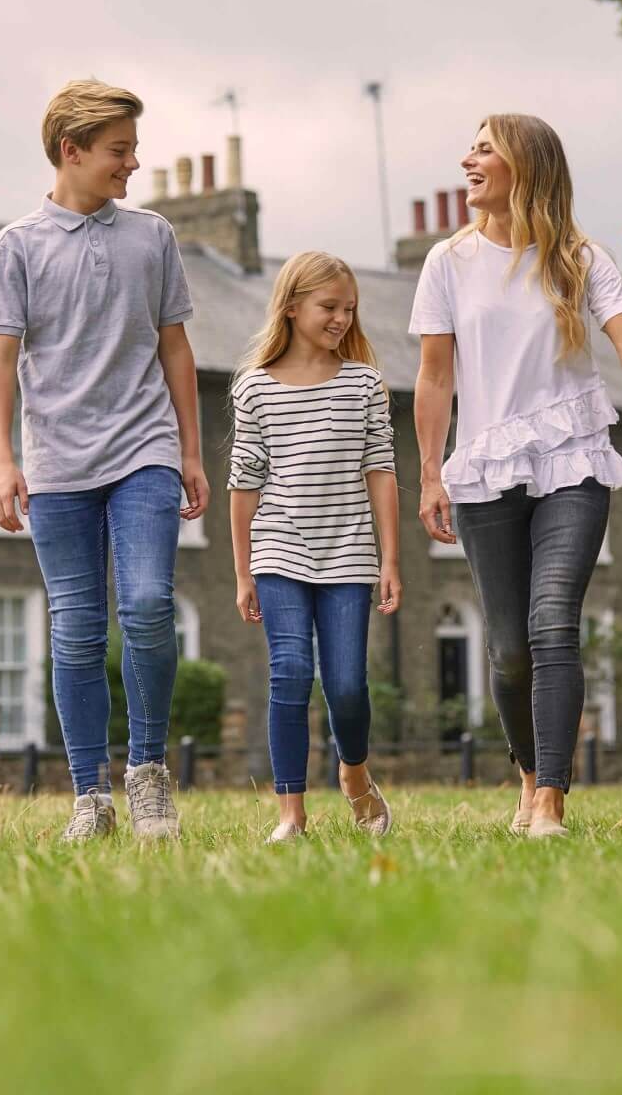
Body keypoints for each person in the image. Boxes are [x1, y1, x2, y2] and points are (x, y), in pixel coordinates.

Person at [410, 113, 622, 837]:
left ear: (525, 164)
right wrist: (430, 474)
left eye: (484, 149)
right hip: (486, 467)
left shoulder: (580, 259)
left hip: (573, 458)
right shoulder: (446, 263)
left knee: (553, 624)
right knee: (510, 649)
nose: (468, 160)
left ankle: (550, 797)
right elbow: (434, 375)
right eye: (471, 147)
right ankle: (527, 772)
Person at [0, 79, 208, 841]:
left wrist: (192, 452)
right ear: (71, 152)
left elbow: (175, 345)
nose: (133, 163)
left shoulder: (153, 237)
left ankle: (146, 774)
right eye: (119, 150)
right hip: (58, 463)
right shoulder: (17, 247)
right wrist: (1, 461)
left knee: (145, 605)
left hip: (144, 447)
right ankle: (90, 797)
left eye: (134, 149)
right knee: (75, 626)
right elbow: (0, 360)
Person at [228, 252, 402, 844]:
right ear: (293, 306)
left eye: (349, 309)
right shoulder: (253, 388)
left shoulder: (364, 384)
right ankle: (290, 814)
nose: (341, 319)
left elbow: (380, 469)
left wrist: (390, 560)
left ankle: (354, 775)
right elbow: (244, 483)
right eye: (329, 307)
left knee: (348, 683)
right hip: (278, 550)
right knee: (290, 673)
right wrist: (243, 571)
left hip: (350, 552)